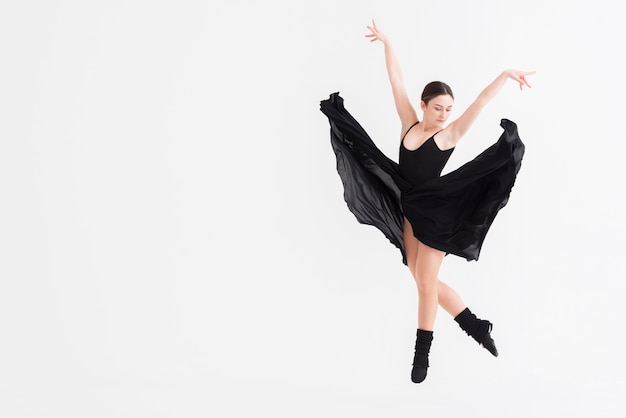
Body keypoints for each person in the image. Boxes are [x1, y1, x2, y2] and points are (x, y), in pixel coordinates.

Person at [319, 20, 534, 384]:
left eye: (449, 109)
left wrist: (503, 74)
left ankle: (422, 354)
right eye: (438, 108)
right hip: (410, 209)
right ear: (423, 105)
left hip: (437, 214)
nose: (445, 115)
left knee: (426, 280)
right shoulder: (408, 123)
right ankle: (475, 325)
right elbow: (397, 80)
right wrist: (387, 42)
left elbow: (480, 102)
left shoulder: (448, 135)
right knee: (421, 280)